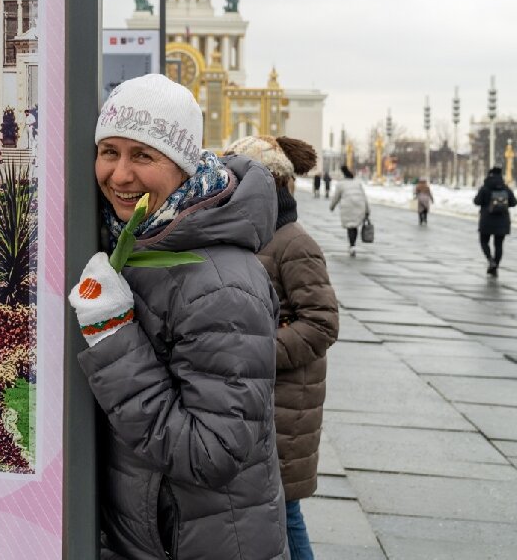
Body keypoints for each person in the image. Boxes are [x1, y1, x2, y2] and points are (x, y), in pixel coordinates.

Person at [68, 74, 288, 560]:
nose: (120, 175)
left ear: (184, 166)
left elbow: (213, 452)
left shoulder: (221, 283)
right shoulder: (132, 241)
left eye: (143, 155)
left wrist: (112, 335)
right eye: (109, 151)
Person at [226, 135, 339, 560]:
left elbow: (322, 323)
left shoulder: (292, 242)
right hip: (260, 401)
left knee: (284, 514)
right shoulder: (252, 236)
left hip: (285, 407)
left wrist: (255, 351)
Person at [474, 167, 516, 276]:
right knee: (499, 245)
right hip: (502, 220)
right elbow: (513, 202)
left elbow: (477, 201)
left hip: (487, 220)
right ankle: (495, 266)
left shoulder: (485, 187)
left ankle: (490, 260)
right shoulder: (505, 188)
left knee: (484, 242)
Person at [330, 165, 368, 257]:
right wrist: (367, 210)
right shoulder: (357, 183)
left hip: (347, 206)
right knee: (354, 226)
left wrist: (332, 206)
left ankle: (352, 245)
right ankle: (353, 245)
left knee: (350, 226)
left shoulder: (340, 184)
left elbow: (336, 197)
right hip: (359, 205)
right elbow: (364, 197)